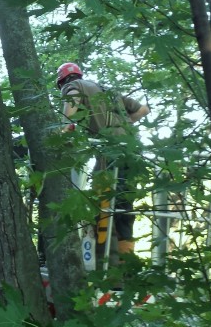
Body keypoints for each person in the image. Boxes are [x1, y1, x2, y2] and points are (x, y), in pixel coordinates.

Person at [56, 62, 150, 266]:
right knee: (124, 205)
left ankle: (105, 266)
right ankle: (126, 264)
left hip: (110, 154)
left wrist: (63, 131)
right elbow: (144, 109)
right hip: (133, 152)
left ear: (62, 81)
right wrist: (123, 126)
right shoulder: (108, 91)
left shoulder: (74, 87)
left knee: (102, 204)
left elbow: (69, 116)